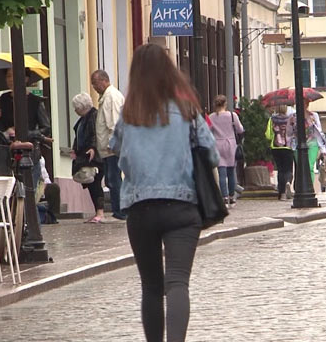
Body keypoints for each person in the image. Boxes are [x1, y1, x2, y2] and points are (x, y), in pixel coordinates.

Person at [109, 43, 218, 342]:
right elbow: (211, 154)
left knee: (151, 287)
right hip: (182, 207)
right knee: (177, 283)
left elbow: (116, 149)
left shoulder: (129, 113)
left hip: (141, 209)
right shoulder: (186, 110)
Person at [0, 68, 52, 188]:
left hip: (29, 153)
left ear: (26, 79)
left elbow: (46, 128)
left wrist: (27, 134)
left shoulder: (35, 101)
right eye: (8, 76)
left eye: (14, 76)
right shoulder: (2, 100)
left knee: (29, 190)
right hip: (6, 154)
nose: (10, 79)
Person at [91, 69, 126, 220]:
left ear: (104, 81)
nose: (94, 86)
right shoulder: (106, 97)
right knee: (112, 179)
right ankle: (119, 209)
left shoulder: (111, 97)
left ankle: (121, 210)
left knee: (114, 179)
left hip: (112, 149)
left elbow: (114, 123)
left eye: (95, 83)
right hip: (109, 149)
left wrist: (113, 144)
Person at [71, 92, 105, 223]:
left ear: (82, 107)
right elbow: (78, 136)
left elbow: (96, 134)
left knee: (95, 183)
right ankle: (98, 212)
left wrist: (93, 148)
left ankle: (100, 213)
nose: (75, 110)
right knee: (90, 183)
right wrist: (75, 149)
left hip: (94, 157)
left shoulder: (93, 116)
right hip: (85, 155)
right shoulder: (83, 119)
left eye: (76, 108)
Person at [209, 94, 244, 207]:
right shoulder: (232, 116)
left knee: (222, 173)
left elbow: (207, 131)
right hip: (231, 144)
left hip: (217, 144)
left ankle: (224, 197)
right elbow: (240, 129)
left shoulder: (211, 117)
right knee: (231, 172)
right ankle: (231, 196)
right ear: (225, 104)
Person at [293, 102, 326, 186]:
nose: (303, 105)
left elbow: (319, 131)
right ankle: (301, 188)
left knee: (310, 166)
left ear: (307, 104)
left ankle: (309, 187)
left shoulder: (314, 115)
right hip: (298, 144)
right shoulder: (293, 116)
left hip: (312, 143)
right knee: (300, 167)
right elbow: (290, 131)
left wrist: (323, 149)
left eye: (305, 103)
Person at [266, 105, 296, 200]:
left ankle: (282, 193)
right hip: (288, 147)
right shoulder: (290, 119)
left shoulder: (272, 119)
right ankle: (288, 181)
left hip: (275, 147)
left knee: (280, 170)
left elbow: (268, 134)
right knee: (288, 169)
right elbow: (294, 132)